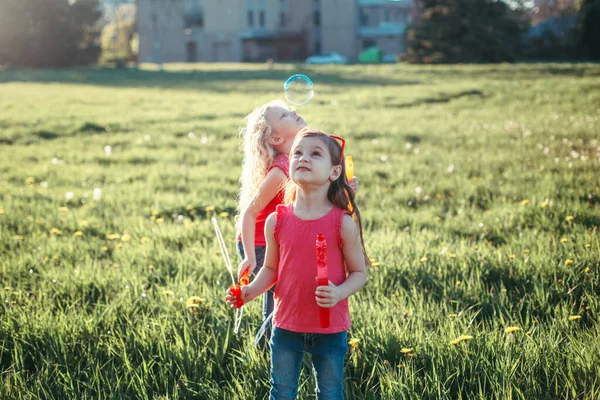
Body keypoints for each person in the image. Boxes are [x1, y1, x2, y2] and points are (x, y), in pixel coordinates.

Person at [228, 128, 370, 400]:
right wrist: (250, 292)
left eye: (315, 154)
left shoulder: (342, 223)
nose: (303, 158)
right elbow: (270, 269)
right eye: (297, 153)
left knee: (329, 392)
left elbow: (359, 273)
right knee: (281, 392)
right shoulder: (277, 220)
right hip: (286, 323)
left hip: (329, 327)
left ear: (334, 172)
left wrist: (339, 293)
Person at [235, 101, 358, 347]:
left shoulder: (299, 163)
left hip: (284, 237)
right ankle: (268, 349)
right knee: (281, 301)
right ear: (275, 137)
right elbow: (249, 213)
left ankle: (277, 347)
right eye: (284, 114)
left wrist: (344, 193)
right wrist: (250, 257)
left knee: (280, 299)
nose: (293, 112)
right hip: (261, 244)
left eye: (290, 109)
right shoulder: (283, 168)